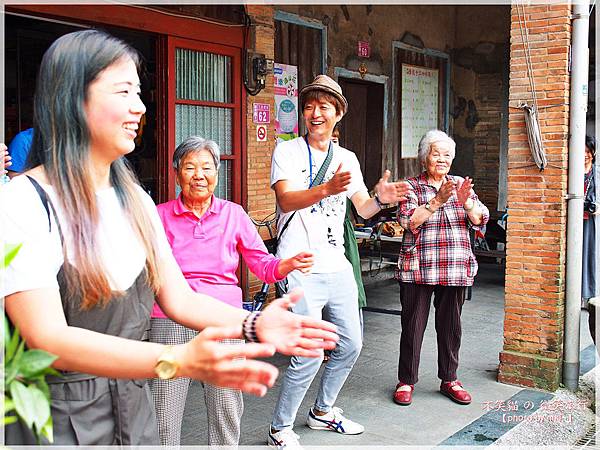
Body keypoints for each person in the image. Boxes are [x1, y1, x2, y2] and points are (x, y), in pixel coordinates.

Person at [0, 29, 338, 446]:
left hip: (131, 404)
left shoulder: (135, 201)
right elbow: (47, 337)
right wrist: (175, 360)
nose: (139, 107)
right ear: (72, 98)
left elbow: (179, 298)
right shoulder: (23, 202)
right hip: (56, 415)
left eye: (139, 92)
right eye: (123, 91)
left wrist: (254, 323)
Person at [267, 74, 408, 448]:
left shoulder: (347, 158)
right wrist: (326, 189)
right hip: (299, 265)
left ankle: (322, 411)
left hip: (337, 264)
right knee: (311, 352)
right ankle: (281, 428)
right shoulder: (287, 151)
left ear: (338, 114)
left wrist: (381, 199)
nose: (315, 113)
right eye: (309, 105)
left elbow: (361, 208)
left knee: (350, 344)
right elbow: (285, 201)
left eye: (324, 107)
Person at [149, 136, 314, 446]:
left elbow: (261, 264)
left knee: (226, 404)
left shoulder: (233, 214)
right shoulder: (158, 216)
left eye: (207, 167)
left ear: (217, 173)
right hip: (171, 316)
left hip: (224, 318)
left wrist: (286, 264)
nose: (199, 175)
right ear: (176, 173)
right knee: (163, 406)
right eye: (189, 167)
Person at [393, 129, 489, 407]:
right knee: (412, 327)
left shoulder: (459, 184)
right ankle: (406, 381)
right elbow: (409, 221)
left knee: (451, 328)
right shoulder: (410, 186)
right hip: (418, 268)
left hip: (455, 267)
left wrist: (466, 201)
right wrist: (437, 201)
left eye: (447, 155)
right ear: (425, 158)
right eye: (437, 154)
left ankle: (450, 379)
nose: (442, 159)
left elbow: (480, 217)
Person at [583, 135, 598, 345]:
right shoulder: (571, 172)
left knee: (593, 261)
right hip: (576, 226)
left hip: (594, 227)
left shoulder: (597, 173)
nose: (585, 156)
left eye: (588, 152)